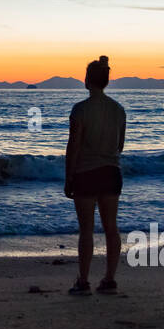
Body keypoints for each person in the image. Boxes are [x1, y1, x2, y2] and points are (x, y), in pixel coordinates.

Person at [64, 55, 126, 294]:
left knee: (86, 230)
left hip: (86, 173)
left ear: (87, 80)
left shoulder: (80, 110)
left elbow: (74, 147)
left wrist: (69, 177)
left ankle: (83, 281)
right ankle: (109, 279)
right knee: (112, 228)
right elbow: (120, 145)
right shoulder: (118, 110)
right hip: (111, 172)